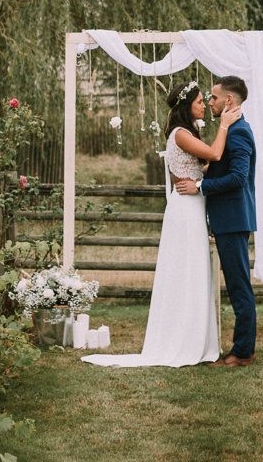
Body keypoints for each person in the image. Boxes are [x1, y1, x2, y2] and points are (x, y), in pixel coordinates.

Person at [83, 79, 239, 367]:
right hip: (186, 209)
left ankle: (193, 337)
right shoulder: (180, 134)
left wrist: (204, 175)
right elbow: (215, 154)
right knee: (186, 270)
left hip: (193, 205)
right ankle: (183, 340)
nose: (204, 106)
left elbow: (203, 166)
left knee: (193, 270)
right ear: (186, 106)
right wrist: (225, 125)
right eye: (199, 102)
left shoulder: (185, 134)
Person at [175, 75, 256, 367]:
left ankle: (243, 352)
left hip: (233, 219)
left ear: (228, 100)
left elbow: (238, 178)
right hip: (227, 219)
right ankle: (242, 348)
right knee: (236, 284)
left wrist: (200, 186)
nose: (210, 103)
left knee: (238, 286)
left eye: (213, 97)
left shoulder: (239, 132)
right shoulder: (230, 130)